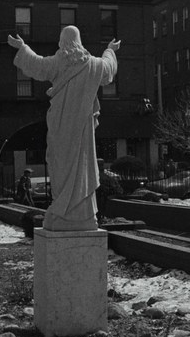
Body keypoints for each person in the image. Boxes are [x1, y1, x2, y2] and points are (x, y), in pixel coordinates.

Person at [8, 26, 119, 231]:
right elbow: (109, 68)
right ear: (79, 41)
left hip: (60, 124)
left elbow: (36, 64)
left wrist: (22, 47)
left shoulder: (58, 62)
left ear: (62, 41)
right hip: (81, 129)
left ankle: (64, 211)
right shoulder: (93, 64)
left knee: (60, 164)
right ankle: (81, 213)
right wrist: (110, 49)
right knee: (81, 165)